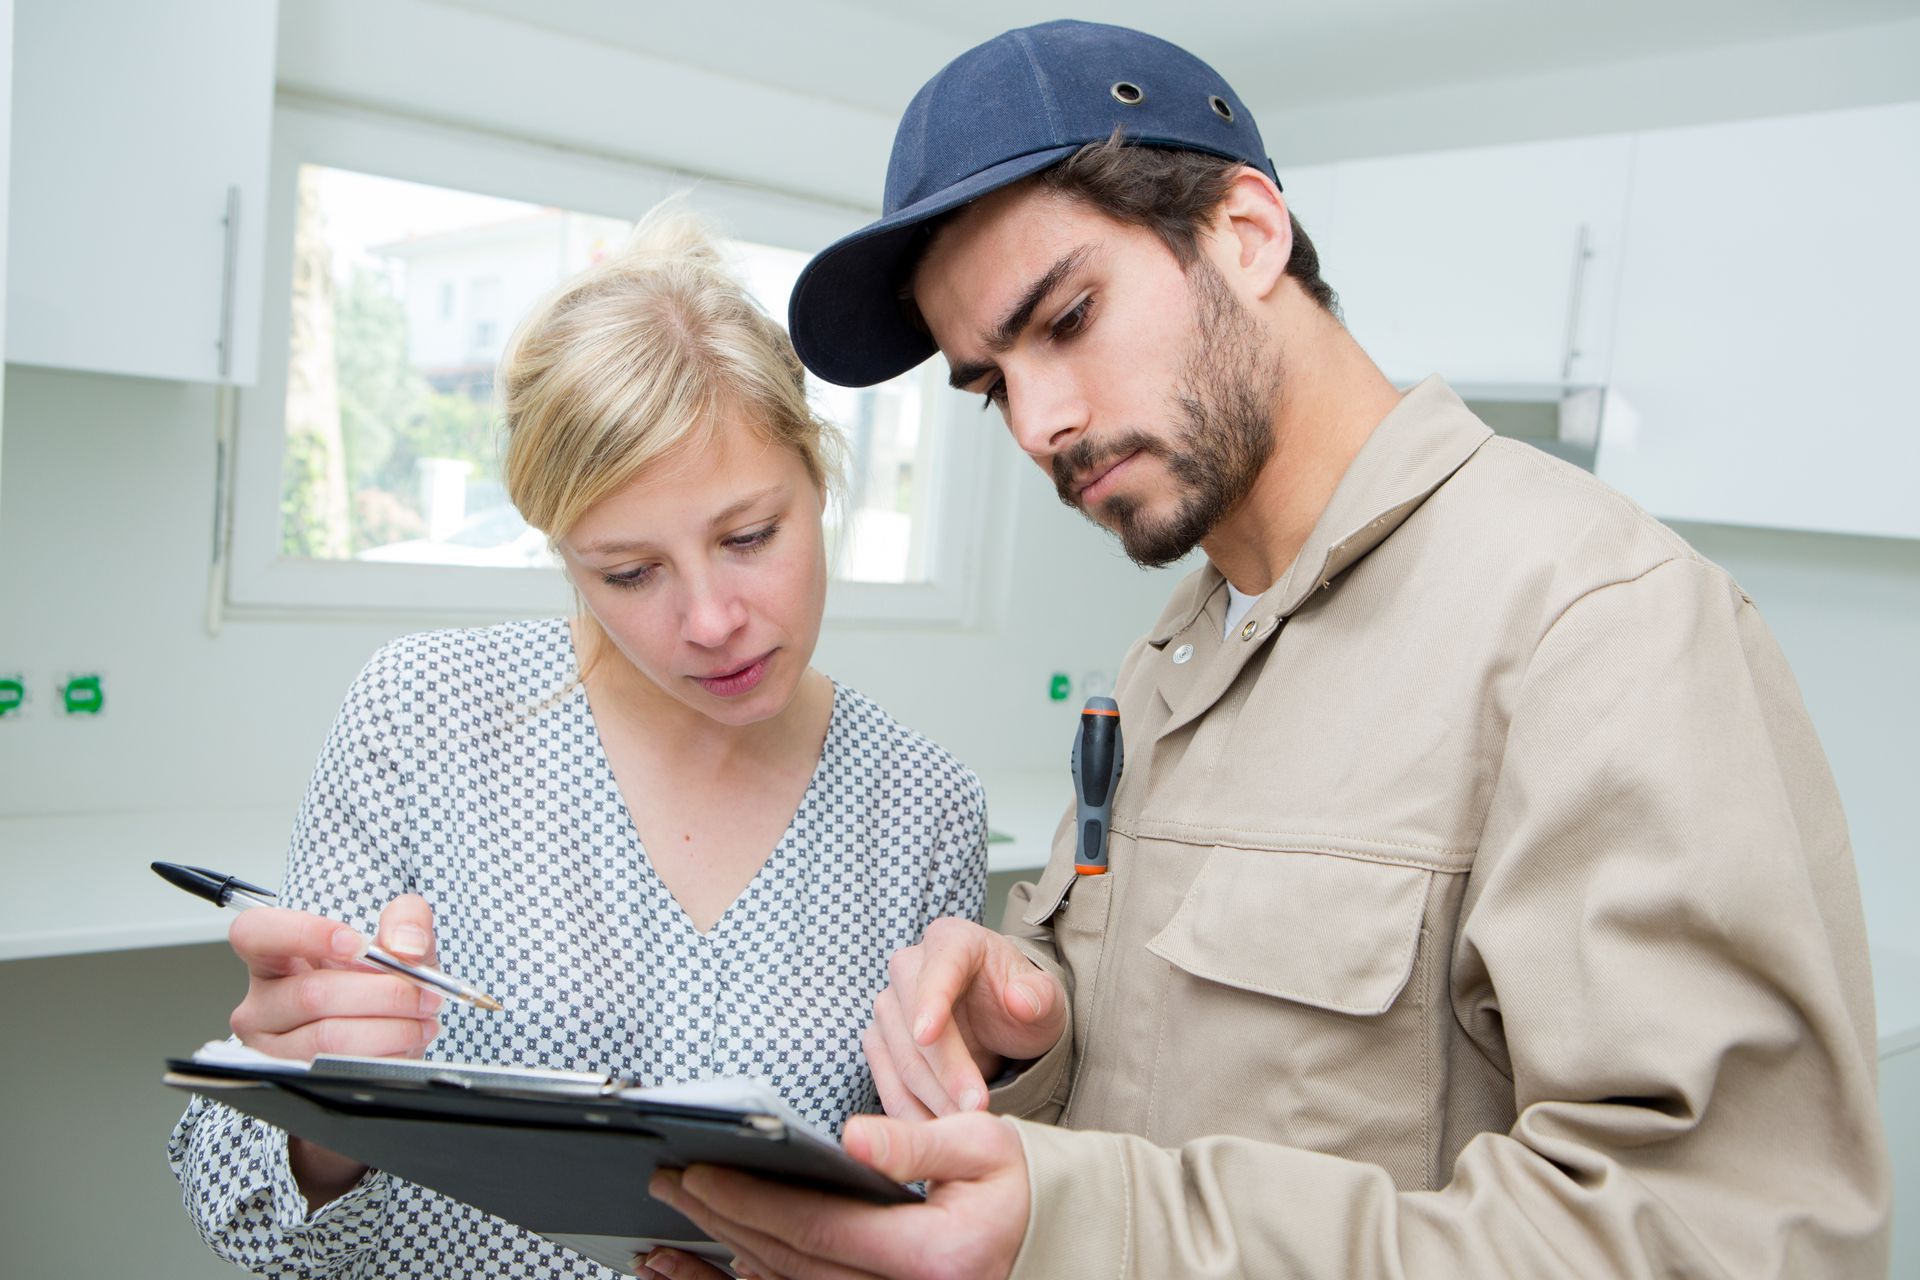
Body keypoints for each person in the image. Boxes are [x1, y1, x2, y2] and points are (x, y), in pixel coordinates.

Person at [643, 19, 1891, 1279]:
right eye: (991, 382)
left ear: (1247, 233)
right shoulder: (1169, 655)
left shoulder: (1599, 629)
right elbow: (1174, 1040)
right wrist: (1036, 1018)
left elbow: (1727, 1243)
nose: (1040, 421)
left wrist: (1082, 1222)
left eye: (1069, 317)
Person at [167, 206, 988, 1280]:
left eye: (748, 537)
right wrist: (321, 1127)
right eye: (629, 572)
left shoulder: (925, 807)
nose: (709, 619)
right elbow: (233, 1194)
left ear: (818, 475)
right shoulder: (423, 717)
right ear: (563, 554)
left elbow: (936, 1197)